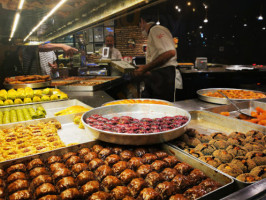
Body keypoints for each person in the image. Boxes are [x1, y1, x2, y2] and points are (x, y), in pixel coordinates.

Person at [133, 15, 182, 102]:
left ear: (142, 21)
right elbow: (158, 62)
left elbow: (170, 53)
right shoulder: (153, 31)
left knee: (167, 110)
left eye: (139, 25)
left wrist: (144, 68)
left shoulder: (155, 29)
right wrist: (145, 71)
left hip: (167, 78)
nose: (140, 28)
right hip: (161, 78)